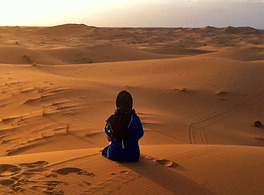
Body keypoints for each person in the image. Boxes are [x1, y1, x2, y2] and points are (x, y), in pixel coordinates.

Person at [102, 90, 144, 162]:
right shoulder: (135, 119)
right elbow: (140, 133)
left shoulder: (111, 119)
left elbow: (108, 133)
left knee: (106, 150)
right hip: (133, 156)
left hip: (114, 155)